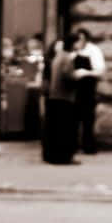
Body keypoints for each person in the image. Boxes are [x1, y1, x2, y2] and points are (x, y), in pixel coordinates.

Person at [42, 36, 78, 165]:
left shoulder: (57, 58)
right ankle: (63, 157)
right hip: (64, 97)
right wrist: (77, 75)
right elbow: (68, 75)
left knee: (55, 129)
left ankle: (52, 156)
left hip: (54, 96)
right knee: (64, 130)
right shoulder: (67, 58)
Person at [70, 27, 105, 155]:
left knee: (88, 119)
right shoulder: (73, 52)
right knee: (73, 119)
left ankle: (88, 146)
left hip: (88, 89)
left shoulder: (94, 51)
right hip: (74, 90)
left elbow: (100, 71)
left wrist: (86, 73)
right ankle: (73, 145)